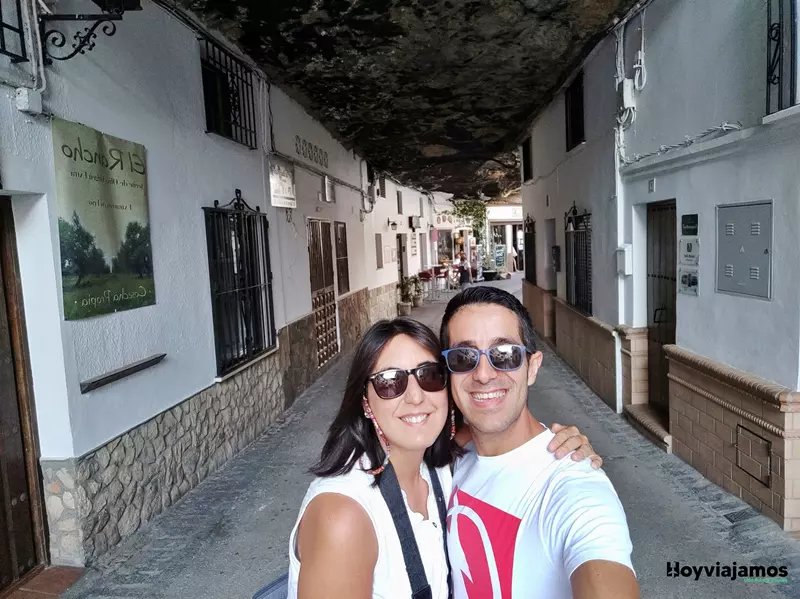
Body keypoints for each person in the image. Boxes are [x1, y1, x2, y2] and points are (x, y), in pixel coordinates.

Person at [287, 317, 600, 599]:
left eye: (430, 376)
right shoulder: (343, 517)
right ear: (366, 402)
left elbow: (499, 431)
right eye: (390, 382)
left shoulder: (438, 463)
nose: (415, 396)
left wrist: (559, 443)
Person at [440, 286, 639, 599]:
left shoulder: (572, 485)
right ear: (449, 372)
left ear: (532, 367)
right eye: (464, 357)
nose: (482, 374)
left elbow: (597, 551)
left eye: (504, 355)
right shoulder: (454, 456)